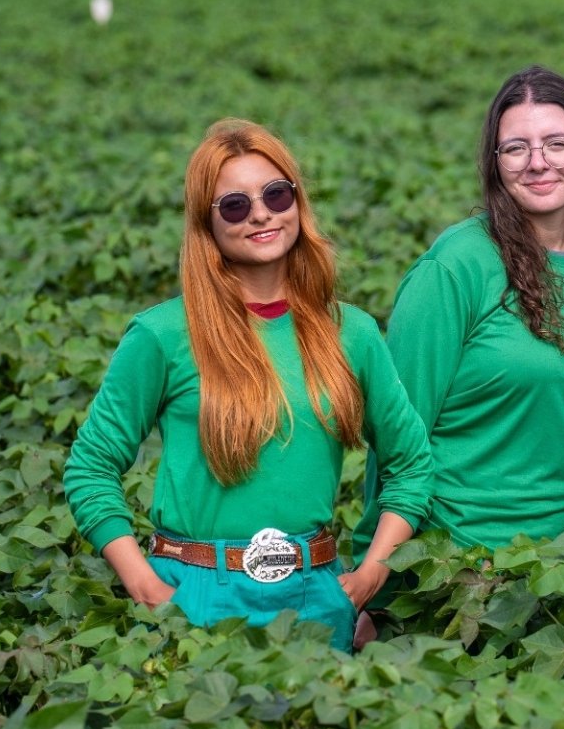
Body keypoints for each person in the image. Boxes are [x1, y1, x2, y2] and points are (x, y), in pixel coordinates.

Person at [63, 119, 433, 652]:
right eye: (234, 205)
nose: (260, 213)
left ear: (297, 204)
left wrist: (372, 571)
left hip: (315, 594)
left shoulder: (350, 332)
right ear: (205, 224)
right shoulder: (163, 334)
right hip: (194, 597)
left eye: (276, 195)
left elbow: (412, 463)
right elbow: (91, 466)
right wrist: (142, 583)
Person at [351, 66, 564, 632]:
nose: (538, 161)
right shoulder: (454, 268)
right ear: (495, 164)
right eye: (516, 147)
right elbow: (396, 439)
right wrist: (373, 583)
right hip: (464, 576)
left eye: (558, 143)